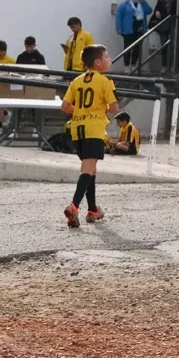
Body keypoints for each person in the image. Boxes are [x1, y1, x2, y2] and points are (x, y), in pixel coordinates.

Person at [60, 43, 119, 227]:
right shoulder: (104, 81)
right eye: (107, 57)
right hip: (94, 129)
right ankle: (74, 206)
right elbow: (113, 108)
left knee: (90, 170)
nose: (109, 60)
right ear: (98, 62)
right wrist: (98, 109)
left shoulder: (76, 81)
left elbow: (65, 106)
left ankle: (93, 210)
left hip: (77, 129)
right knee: (87, 170)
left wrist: (81, 111)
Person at [115, 0, 152, 71]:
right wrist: (118, 28)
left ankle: (133, 64)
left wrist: (143, 1)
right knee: (127, 48)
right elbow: (119, 16)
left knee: (137, 48)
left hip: (140, 29)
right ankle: (126, 66)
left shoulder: (142, 4)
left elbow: (149, 11)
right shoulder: (124, 4)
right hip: (128, 30)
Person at [151, 0, 177, 70]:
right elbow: (156, 10)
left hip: (173, 24)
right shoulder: (161, 0)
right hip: (163, 25)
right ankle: (164, 66)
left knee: (173, 46)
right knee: (163, 46)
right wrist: (157, 12)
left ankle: (173, 66)